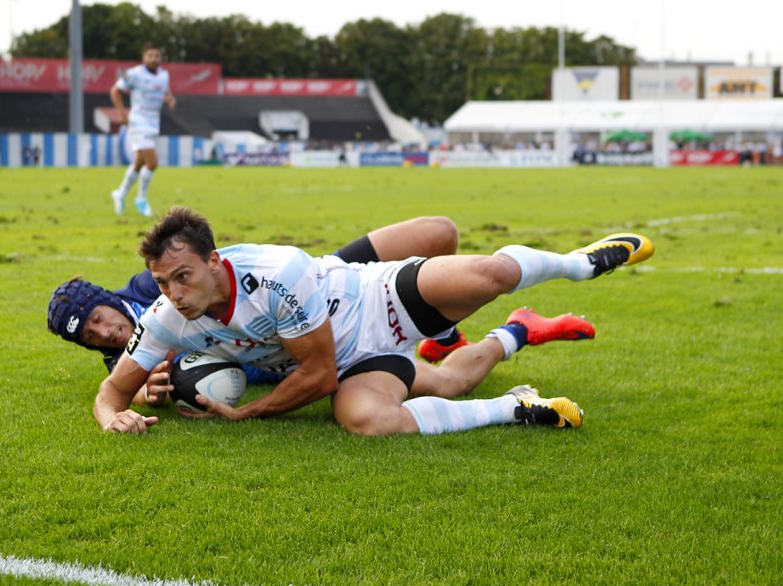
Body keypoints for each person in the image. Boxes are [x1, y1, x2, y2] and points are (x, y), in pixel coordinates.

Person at [93, 208, 652, 435]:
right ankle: (517, 388)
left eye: (183, 277)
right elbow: (111, 391)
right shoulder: (168, 316)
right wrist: (112, 418)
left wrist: (249, 412)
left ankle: (580, 263)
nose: (173, 294)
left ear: (216, 262)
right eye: (162, 282)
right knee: (372, 419)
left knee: (485, 277)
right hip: (357, 359)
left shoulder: (278, 271)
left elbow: (317, 376)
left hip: (374, 298)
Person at [110, 43, 176, 217]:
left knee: (139, 163)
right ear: (144, 58)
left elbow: (164, 90)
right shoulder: (135, 74)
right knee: (152, 162)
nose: (153, 59)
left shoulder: (164, 75)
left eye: (157, 56)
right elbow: (115, 91)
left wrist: (169, 98)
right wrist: (122, 114)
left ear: (161, 59)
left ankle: (120, 193)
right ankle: (141, 198)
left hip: (154, 122)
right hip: (138, 121)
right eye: (150, 56)